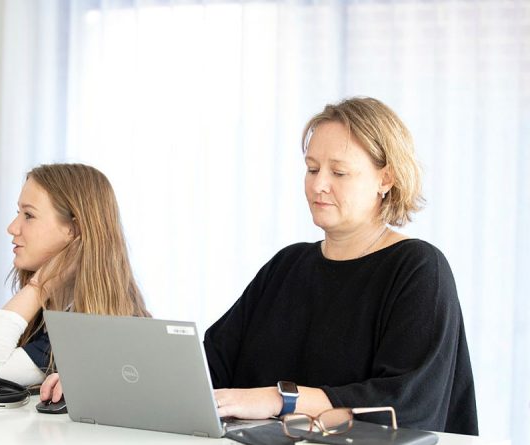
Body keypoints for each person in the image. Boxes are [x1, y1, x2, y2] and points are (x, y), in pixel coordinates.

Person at [204, 97, 477, 435]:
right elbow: (211, 364)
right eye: (312, 168)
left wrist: (282, 399)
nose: (319, 185)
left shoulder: (418, 269)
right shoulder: (287, 266)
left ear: (386, 179)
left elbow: (405, 403)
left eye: (339, 172)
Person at [0, 163, 150, 387]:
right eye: (18, 213)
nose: (12, 227)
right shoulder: (52, 313)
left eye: (29, 215)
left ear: (73, 230)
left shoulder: (85, 329)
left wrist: (37, 287)